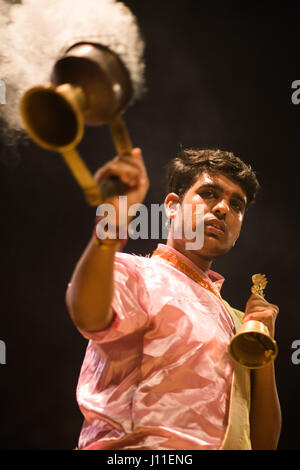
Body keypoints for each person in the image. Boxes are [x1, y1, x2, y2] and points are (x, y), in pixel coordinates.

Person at [66, 147, 281, 450]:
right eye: (209, 193)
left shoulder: (238, 322)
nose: (222, 208)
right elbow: (85, 313)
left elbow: (263, 444)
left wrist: (263, 347)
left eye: (236, 204)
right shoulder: (137, 273)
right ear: (171, 206)